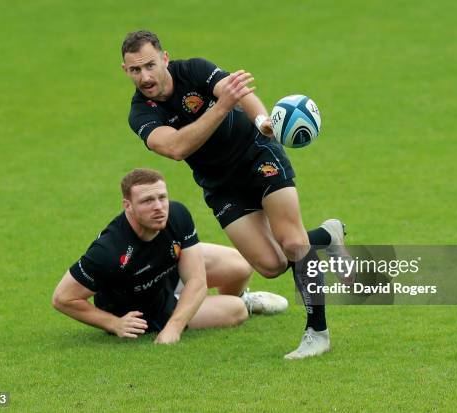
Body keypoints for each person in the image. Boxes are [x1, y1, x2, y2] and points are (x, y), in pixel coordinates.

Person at [121, 30, 347, 358]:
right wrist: (221, 107)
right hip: (220, 184)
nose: (144, 76)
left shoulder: (194, 70)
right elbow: (175, 147)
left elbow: (239, 93)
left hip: (257, 155)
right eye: (135, 70)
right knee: (271, 265)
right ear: (125, 70)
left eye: (150, 65)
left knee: (295, 243)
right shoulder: (141, 113)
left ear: (165, 58)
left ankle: (317, 332)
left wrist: (261, 120)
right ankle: (326, 235)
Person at [52, 168, 288, 344]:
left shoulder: (176, 214)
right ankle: (242, 303)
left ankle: (238, 295)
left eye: (161, 197)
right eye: (147, 201)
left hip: (167, 270)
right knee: (236, 310)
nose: (159, 207)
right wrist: (114, 323)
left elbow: (196, 280)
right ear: (127, 206)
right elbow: (63, 298)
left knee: (241, 265)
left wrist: (175, 328)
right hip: (148, 308)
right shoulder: (109, 251)